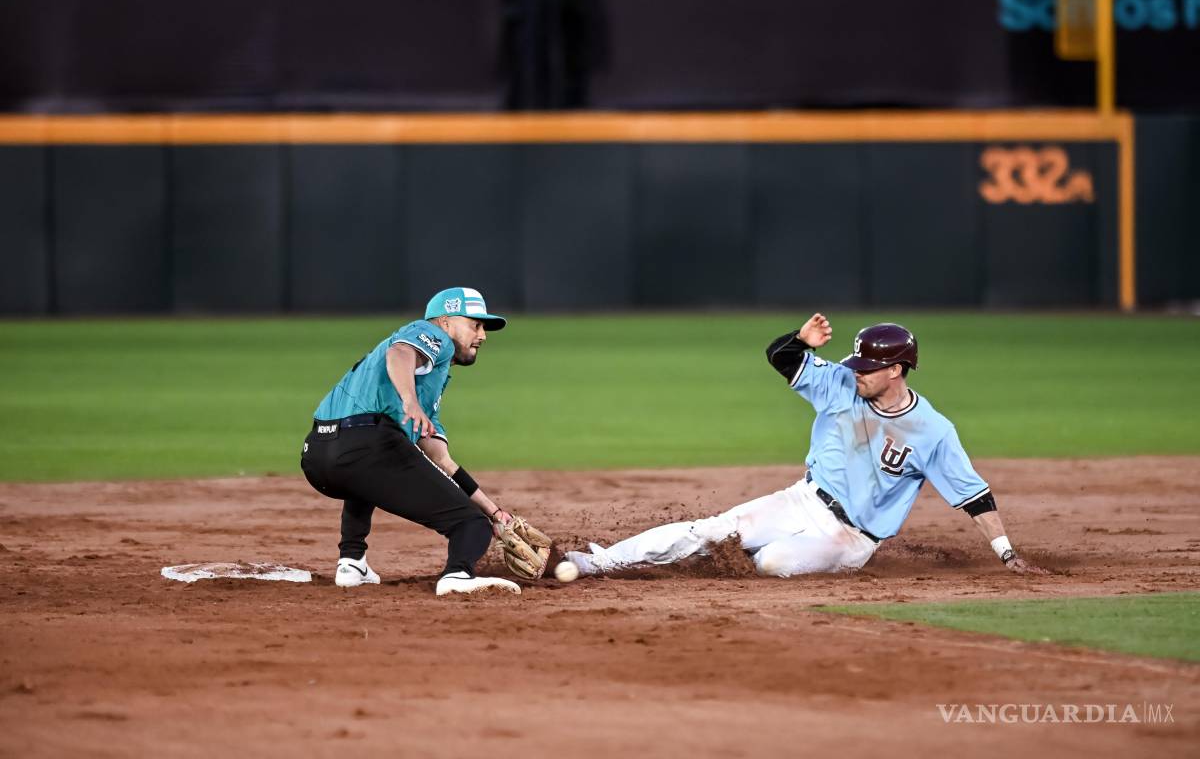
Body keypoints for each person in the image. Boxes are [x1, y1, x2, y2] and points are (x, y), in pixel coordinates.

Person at [559, 313, 1046, 579]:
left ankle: (729, 557)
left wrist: (1007, 555)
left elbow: (974, 497)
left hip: (851, 539)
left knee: (771, 562)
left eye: (866, 369)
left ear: (896, 370)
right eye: (853, 365)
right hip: (802, 498)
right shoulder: (839, 383)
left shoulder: (934, 430)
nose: (854, 373)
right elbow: (781, 357)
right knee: (711, 530)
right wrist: (801, 338)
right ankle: (598, 562)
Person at [301, 287, 525, 596]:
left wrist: (495, 513)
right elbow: (401, 354)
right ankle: (457, 576)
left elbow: (441, 459)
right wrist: (410, 401)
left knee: (365, 479)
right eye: (475, 324)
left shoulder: (428, 380)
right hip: (367, 447)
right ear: (445, 321)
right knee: (470, 525)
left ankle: (352, 562)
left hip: (318, 456)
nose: (482, 335)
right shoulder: (431, 335)